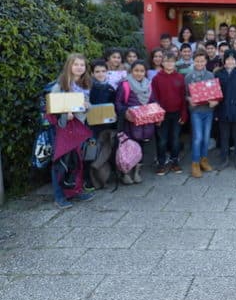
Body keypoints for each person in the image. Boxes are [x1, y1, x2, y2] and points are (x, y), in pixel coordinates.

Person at [48, 54, 95, 208]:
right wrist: (64, 112)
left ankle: (75, 191)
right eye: (76, 64)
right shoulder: (60, 85)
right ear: (69, 66)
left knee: (76, 162)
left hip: (79, 127)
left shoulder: (85, 84)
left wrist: (88, 105)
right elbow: (52, 107)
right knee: (61, 163)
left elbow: (86, 104)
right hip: (64, 129)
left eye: (82, 65)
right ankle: (59, 196)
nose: (79, 67)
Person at [115, 60, 156, 184]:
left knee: (140, 148)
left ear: (145, 72)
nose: (139, 73)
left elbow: (153, 101)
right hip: (129, 123)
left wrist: (156, 110)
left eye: (142, 71)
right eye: (136, 71)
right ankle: (126, 173)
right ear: (131, 71)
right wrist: (125, 112)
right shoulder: (125, 85)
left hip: (144, 123)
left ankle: (137, 172)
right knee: (128, 148)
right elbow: (118, 102)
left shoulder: (149, 85)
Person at [151, 52, 188, 176]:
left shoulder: (180, 77)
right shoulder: (156, 78)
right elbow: (154, 98)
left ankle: (175, 161)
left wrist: (184, 113)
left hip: (177, 113)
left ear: (175, 62)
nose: (169, 63)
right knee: (162, 140)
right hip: (162, 114)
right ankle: (161, 163)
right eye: (166, 61)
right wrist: (158, 115)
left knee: (175, 139)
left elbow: (183, 97)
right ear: (162, 62)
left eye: (171, 61)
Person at [185, 50, 217, 178]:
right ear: (194, 61)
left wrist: (215, 101)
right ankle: (195, 163)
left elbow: (215, 93)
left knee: (205, 137)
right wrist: (189, 99)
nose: (199, 63)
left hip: (208, 111)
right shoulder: (188, 77)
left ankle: (204, 160)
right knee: (197, 138)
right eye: (197, 61)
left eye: (202, 61)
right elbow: (186, 95)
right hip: (196, 112)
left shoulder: (210, 75)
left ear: (206, 61)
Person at [88, 59, 117, 190]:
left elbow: (114, 106)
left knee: (107, 150)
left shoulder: (111, 88)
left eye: (103, 71)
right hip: (92, 126)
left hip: (107, 127)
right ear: (92, 73)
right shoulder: (88, 89)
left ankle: (105, 177)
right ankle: (92, 179)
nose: (100, 74)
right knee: (93, 151)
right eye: (97, 71)